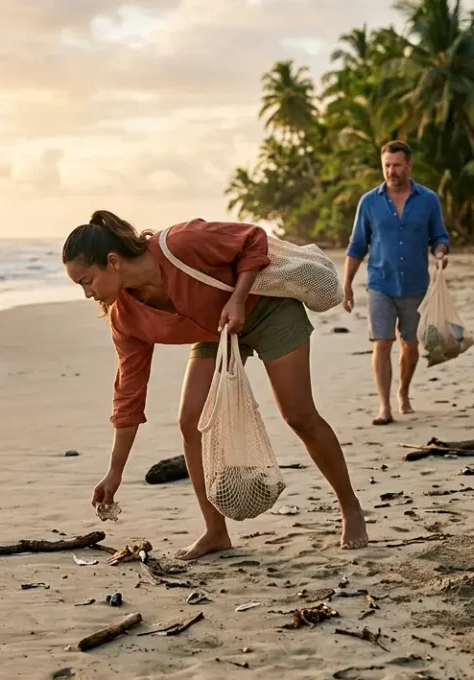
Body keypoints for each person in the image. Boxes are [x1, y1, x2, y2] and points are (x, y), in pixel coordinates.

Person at [62, 211, 369, 556]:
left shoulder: (180, 243)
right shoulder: (125, 318)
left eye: (87, 281)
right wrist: (114, 473)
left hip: (265, 309)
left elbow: (253, 238)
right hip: (215, 332)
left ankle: (350, 507)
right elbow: (129, 395)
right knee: (190, 420)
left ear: (113, 262)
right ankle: (215, 532)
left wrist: (238, 298)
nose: (87, 293)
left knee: (298, 414)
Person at [342, 141, 450, 425]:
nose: (391, 170)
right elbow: (356, 246)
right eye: (387, 165)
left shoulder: (428, 200)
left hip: (416, 286)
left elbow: (439, 236)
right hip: (380, 284)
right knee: (382, 343)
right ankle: (384, 406)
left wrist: (440, 252)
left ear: (408, 165)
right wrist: (347, 285)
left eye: (397, 165)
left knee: (411, 345)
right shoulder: (369, 202)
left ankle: (403, 391)